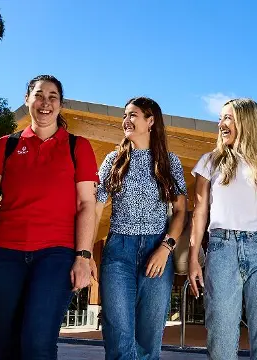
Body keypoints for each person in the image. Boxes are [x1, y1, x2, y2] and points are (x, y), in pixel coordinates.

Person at [0, 75, 99, 359]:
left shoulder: (77, 146)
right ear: (27, 100)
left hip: (56, 255)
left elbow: (86, 204)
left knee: (37, 344)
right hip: (3, 254)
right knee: (7, 346)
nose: (46, 103)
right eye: (39, 95)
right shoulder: (4, 146)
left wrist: (83, 256)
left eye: (53, 96)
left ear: (60, 104)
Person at [187, 98, 257, 360]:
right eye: (220, 118)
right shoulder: (210, 162)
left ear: (247, 121)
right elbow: (199, 212)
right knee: (220, 338)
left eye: (227, 118)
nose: (220, 124)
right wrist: (194, 257)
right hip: (221, 249)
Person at [95, 97, 188, 359]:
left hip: (157, 251)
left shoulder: (170, 163)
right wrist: (86, 252)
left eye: (133, 115)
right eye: (125, 115)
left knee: (148, 341)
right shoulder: (113, 160)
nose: (126, 120)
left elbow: (181, 212)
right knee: (118, 337)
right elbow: (95, 208)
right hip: (118, 253)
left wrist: (165, 247)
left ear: (150, 121)